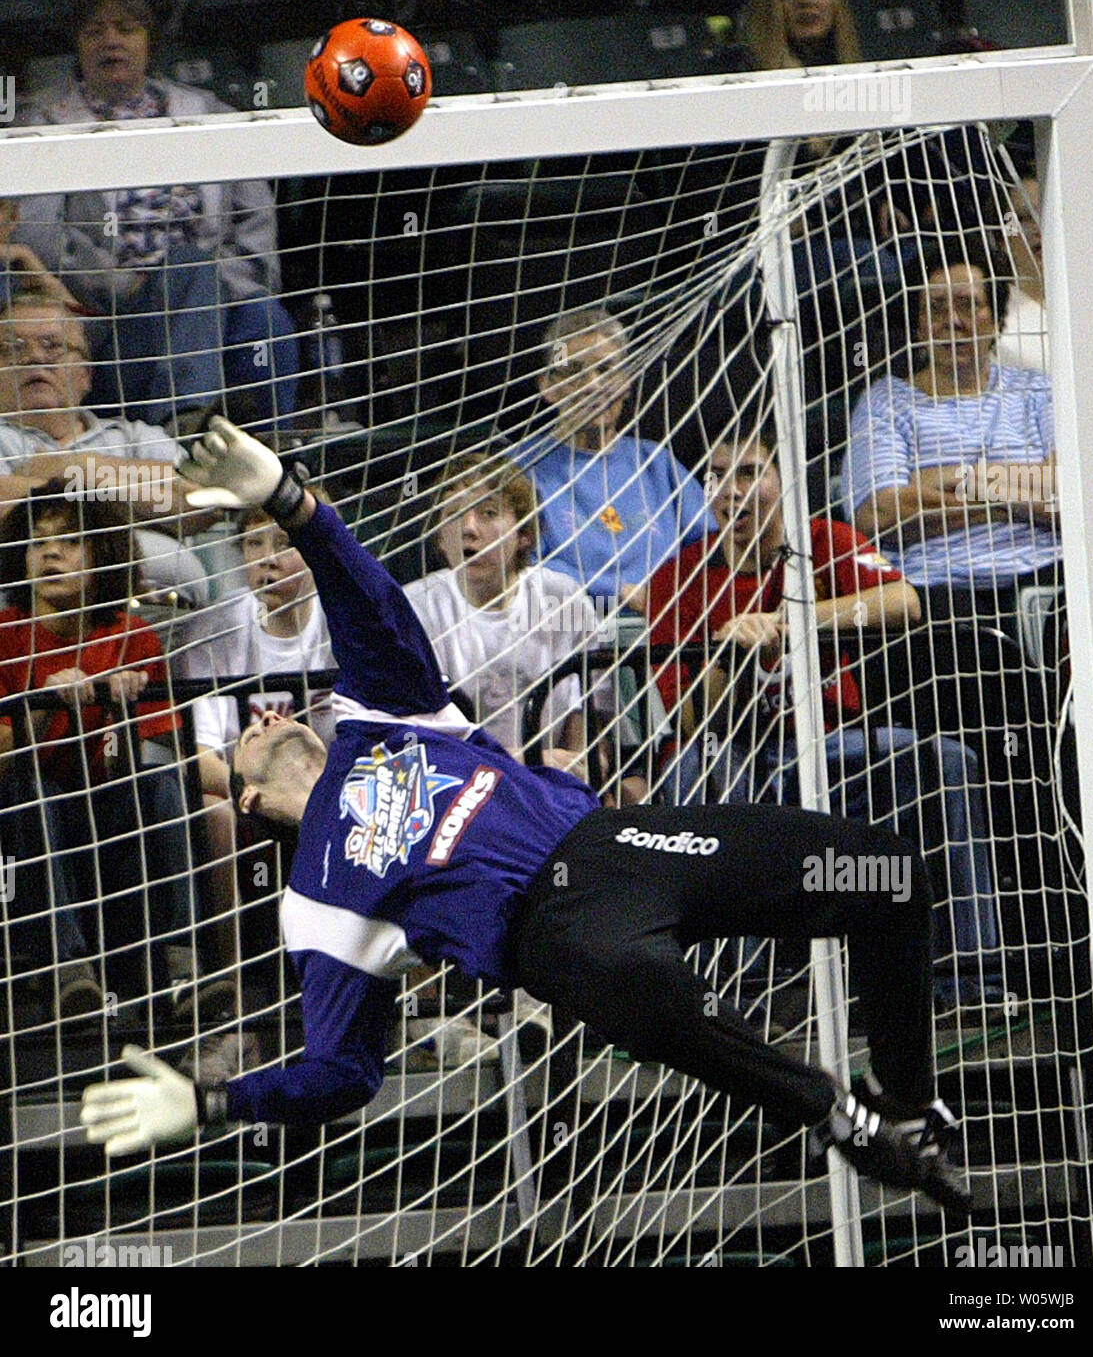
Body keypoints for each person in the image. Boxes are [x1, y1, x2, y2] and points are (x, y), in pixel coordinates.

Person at [81, 419, 971, 1216]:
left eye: (275, 711)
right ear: (244, 798)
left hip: (622, 846)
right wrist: (216, 1103)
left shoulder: (375, 719)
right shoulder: (315, 901)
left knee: (882, 874)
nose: (269, 718)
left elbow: (369, 607)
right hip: (556, 931)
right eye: (248, 735)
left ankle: (909, 1107)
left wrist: (294, 505)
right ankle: (833, 1115)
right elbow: (341, 1072)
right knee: (648, 995)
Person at [648, 426, 1002, 1008]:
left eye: (749, 472)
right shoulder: (677, 576)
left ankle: (968, 976)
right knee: (694, 773)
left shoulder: (824, 541)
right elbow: (693, 723)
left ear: (783, 480)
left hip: (837, 745)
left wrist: (796, 621)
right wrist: (728, 652)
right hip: (738, 753)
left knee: (945, 761)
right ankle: (739, 996)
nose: (731, 491)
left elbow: (904, 601)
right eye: (716, 476)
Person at [840, 234, 1064, 922]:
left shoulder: (1038, 392)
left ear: (995, 319)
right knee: (1011, 736)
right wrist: (1009, 486)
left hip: (1047, 588)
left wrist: (953, 482)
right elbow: (880, 512)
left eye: (968, 305)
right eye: (937, 308)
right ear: (916, 322)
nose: (954, 321)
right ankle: (1016, 935)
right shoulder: (887, 403)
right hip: (937, 606)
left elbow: (1069, 495)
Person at [13, 0, 297, 427]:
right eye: (94, 32)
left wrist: (209, 295)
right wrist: (120, 285)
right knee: (187, 268)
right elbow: (38, 240)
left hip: (210, 304)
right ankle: (182, 426)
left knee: (254, 310)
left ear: (149, 42)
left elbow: (254, 228)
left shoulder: (208, 114)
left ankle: (274, 458)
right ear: (78, 46)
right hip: (104, 316)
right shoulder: (43, 121)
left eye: (126, 29)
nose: (111, 41)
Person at [0, 483, 231, 1020]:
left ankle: (182, 966)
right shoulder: (4, 637)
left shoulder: (134, 637)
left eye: (69, 541)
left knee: (162, 782)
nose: (50, 554)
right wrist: (40, 706)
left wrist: (120, 711)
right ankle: (69, 972)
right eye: (38, 544)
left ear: (102, 555)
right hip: (27, 810)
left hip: (107, 804)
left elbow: (140, 759)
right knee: (35, 792)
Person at [175, 490, 334, 972]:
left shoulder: (341, 624)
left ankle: (421, 1006)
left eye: (283, 541)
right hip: (243, 794)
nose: (267, 559)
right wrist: (258, 793)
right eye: (252, 544)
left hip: (328, 789)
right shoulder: (213, 630)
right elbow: (200, 755)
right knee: (211, 811)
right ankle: (231, 994)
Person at [0, 294, 208, 604]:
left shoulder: (135, 436)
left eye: (52, 346)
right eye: (14, 348)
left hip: (165, 613)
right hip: (27, 619)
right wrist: (132, 497)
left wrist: (77, 469)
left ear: (86, 374)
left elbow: (199, 500)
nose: (34, 358)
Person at [509, 308, 713, 613]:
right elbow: (517, 567)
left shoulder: (657, 464)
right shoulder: (519, 469)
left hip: (668, 633)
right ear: (547, 387)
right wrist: (617, 591)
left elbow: (712, 548)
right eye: (574, 372)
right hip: (568, 632)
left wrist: (670, 597)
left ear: (626, 382)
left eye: (605, 370)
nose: (592, 385)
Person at [404, 452, 600, 767]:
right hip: (453, 784)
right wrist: (524, 761)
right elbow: (415, 746)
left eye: (489, 513)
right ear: (440, 538)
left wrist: (578, 773)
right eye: (454, 515)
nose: (469, 529)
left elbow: (589, 738)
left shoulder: (564, 600)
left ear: (523, 534)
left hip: (546, 785)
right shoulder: (414, 608)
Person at [995, 170, 1048, 374]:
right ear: (1003, 238)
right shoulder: (995, 317)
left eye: (1045, 212)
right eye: (1025, 217)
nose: (1037, 227)